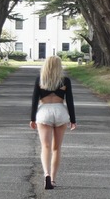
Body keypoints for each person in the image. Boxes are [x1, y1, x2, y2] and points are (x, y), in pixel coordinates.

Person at [30, 56, 77, 190]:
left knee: (45, 146)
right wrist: (73, 120)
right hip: (60, 111)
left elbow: (34, 100)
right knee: (56, 148)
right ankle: (54, 179)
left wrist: (32, 118)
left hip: (44, 111)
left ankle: (46, 174)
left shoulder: (40, 80)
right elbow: (70, 101)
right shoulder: (65, 81)